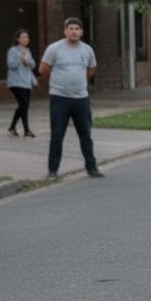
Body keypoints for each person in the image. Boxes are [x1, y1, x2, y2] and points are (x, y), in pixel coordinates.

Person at [40, 17, 103, 180]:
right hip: (59, 98)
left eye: (77, 28)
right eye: (70, 28)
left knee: (86, 135)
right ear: (65, 31)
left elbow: (91, 70)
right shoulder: (54, 49)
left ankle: (92, 167)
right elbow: (44, 69)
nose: (74, 31)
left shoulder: (87, 50)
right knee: (57, 135)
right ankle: (52, 171)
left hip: (81, 99)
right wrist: (60, 82)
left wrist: (77, 82)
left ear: (81, 32)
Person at [6, 29, 37, 138]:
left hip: (26, 82)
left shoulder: (28, 50)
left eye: (27, 37)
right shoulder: (13, 50)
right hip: (16, 82)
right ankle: (26, 130)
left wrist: (27, 61)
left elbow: (33, 65)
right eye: (23, 37)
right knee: (24, 104)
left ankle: (12, 128)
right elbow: (10, 65)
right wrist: (20, 58)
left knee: (24, 106)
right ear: (18, 39)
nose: (25, 39)